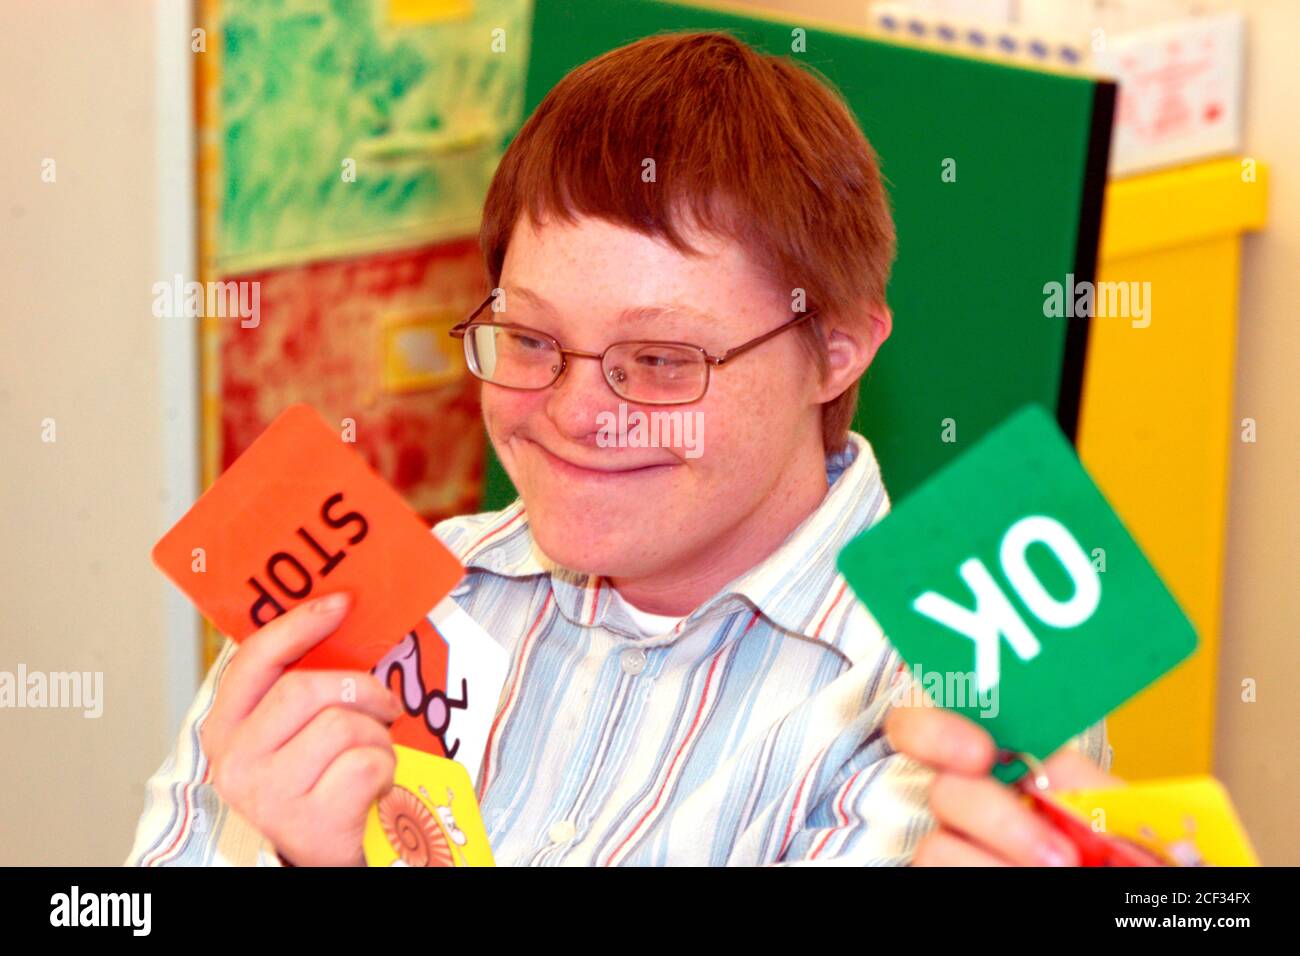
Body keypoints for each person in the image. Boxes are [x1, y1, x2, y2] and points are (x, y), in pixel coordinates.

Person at [126, 30, 1112, 867]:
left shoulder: (957, 693)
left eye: (660, 359)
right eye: (528, 339)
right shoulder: (364, 608)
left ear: (836, 348)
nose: (576, 412)